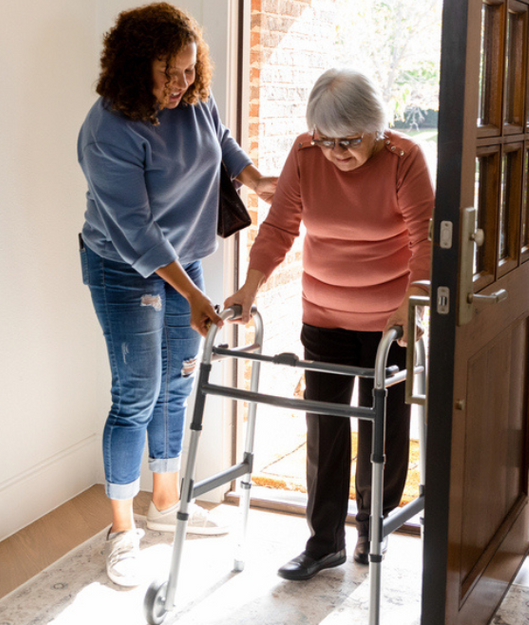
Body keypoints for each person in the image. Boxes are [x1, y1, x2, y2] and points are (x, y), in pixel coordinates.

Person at [78, 2, 276, 588]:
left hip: (183, 258)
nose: (181, 83)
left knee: (178, 379)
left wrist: (255, 178)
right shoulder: (108, 129)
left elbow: (221, 140)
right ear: (135, 67)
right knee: (136, 393)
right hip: (123, 266)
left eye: (189, 70)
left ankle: (164, 504)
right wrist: (192, 295)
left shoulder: (194, 99)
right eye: (168, 72)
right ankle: (121, 530)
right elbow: (135, 230)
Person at [224, 68, 433, 581]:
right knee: (325, 426)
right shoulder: (305, 154)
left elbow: (426, 237)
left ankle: (373, 530)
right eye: (326, 139)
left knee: (383, 426)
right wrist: (249, 288)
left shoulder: (405, 160)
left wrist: (414, 304)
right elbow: (279, 227)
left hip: (390, 326)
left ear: (377, 128)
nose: (336, 152)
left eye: (349, 141)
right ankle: (324, 542)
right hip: (324, 316)